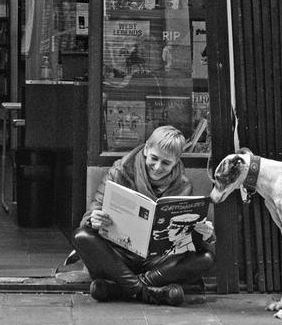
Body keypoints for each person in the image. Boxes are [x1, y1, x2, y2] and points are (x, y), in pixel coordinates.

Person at [73, 125, 216, 306]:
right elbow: (89, 215)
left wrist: (205, 234)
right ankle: (147, 291)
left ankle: (120, 289)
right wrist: (93, 219)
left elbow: (185, 239)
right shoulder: (119, 171)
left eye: (166, 163)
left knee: (206, 258)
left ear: (176, 161)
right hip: (118, 257)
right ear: (146, 148)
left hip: (156, 260)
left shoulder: (183, 185)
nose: (157, 167)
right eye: (154, 159)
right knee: (81, 236)